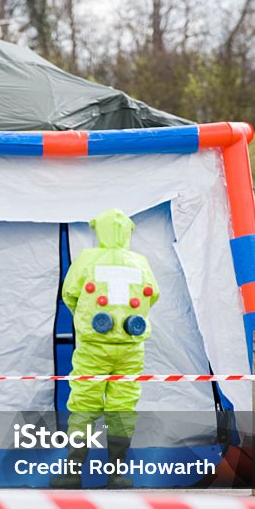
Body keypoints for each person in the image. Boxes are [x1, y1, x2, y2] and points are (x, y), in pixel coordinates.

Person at [53, 208, 159, 489]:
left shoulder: (88, 259)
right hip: (130, 348)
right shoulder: (140, 262)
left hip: (93, 346)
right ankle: (118, 474)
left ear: (98, 230)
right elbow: (154, 295)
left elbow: (70, 293)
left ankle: (72, 472)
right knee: (123, 407)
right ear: (127, 232)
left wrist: (84, 318)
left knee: (84, 405)